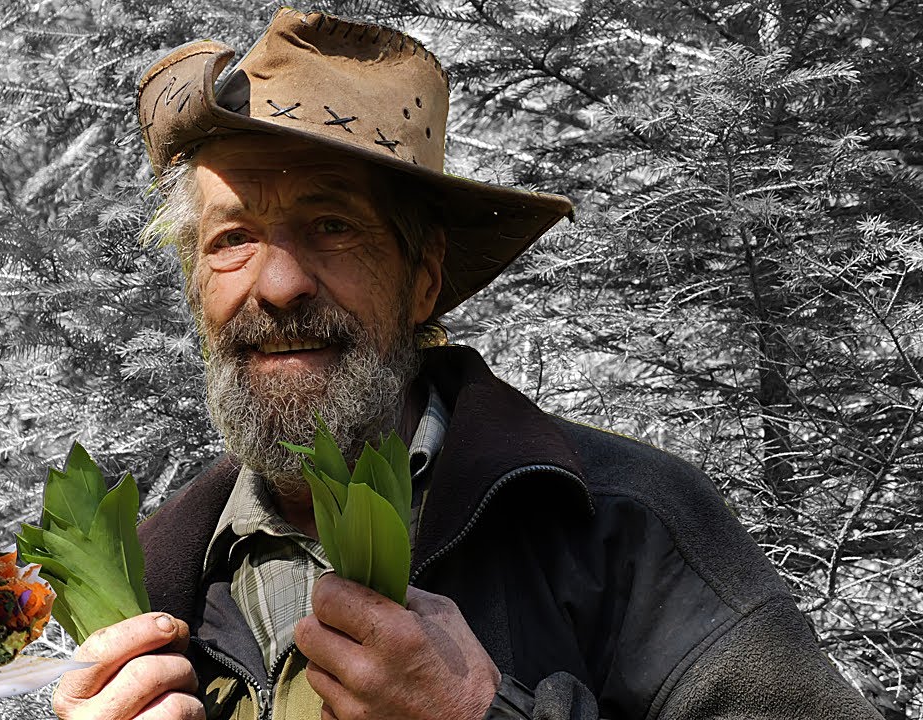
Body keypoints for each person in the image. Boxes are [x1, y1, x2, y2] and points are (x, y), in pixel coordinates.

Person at [52, 9, 882, 720]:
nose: (277, 285)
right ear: (197, 287)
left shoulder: (621, 528)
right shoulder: (158, 583)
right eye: (232, 239)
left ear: (422, 281)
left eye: (332, 226)